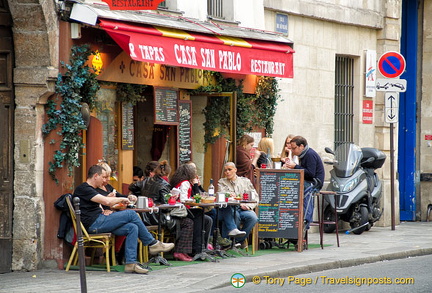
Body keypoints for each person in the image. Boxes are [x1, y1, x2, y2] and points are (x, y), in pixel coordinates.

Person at [73, 165, 174, 274]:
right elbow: (106, 202)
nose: (105, 180)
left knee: (132, 227)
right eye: (103, 177)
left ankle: (130, 264)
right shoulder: (83, 188)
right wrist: (122, 198)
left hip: (100, 220)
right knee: (131, 214)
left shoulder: (92, 189)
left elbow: (103, 203)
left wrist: (119, 200)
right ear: (96, 176)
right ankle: (152, 243)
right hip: (94, 224)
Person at [170, 164, 213, 256]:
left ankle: (201, 246)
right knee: (198, 214)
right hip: (181, 211)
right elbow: (184, 199)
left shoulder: (180, 182)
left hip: (181, 209)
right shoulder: (185, 183)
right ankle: (197, 248)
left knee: (206, 219)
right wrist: (193, 198)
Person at [218, 162, 259, 249]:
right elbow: (221, 194)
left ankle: (239, 240)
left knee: (253, 217)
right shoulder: (222, 182)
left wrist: (248, 206)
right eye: (225, 170)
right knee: (235, 215)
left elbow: (255, 197)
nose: (227, 172)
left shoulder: (245, 182)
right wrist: (228, 195)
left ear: (235, 170)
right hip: (229, 208)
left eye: (229, 169)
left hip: (242, 208)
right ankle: (231, 241)